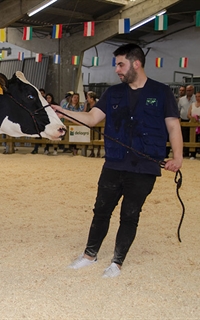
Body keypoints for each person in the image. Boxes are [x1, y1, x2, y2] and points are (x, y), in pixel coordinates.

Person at [52, 43, 183, 278]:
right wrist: (63, 113)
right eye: (117, 65)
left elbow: (173, 126)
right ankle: (89, 256)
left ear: (136, 63)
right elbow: (92, 118)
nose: (117, 70)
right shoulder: (112, 93)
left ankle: (117, 262)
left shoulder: (162, 92)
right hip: (113, 163)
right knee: (101, 211)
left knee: (130, 215)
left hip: (144, 167)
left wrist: (178, 157)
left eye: (120, 64)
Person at [177, 85, 195, 157]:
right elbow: (178, 109)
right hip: (183, 119)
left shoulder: (195, 98)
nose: (188, 92)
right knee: (184, 136)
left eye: (190, 90)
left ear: (193, 90)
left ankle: (192, 153)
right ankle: (185, 152)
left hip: (193, 120)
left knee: (193, 137)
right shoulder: (181, 99)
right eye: (187, 90)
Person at [187, 92, 200, 159]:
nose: (198, 98)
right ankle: (192, 154)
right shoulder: (192, 105)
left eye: (199, 96)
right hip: (193, 124)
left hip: (199, 124)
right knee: (192, 138)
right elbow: (188, 114)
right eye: (196, 96)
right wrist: (192, 118)